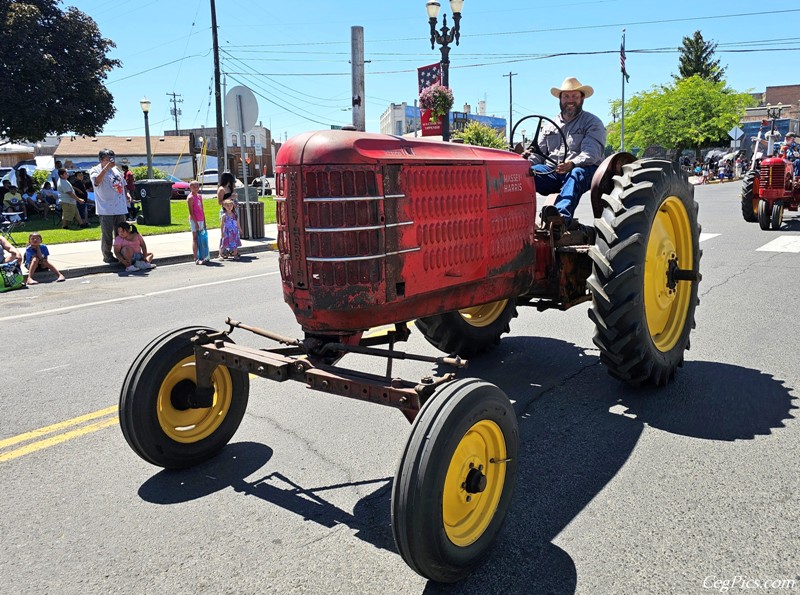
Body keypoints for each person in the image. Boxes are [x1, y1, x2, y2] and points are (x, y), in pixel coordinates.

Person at [525, 77, 607, 228]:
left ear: (582, 99)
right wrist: (522, 164)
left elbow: (591, 154)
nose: (570, 100)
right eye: (566, 96)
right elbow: (538, 154)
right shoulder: (550, 124)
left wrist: (572, 163)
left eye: (575, 96)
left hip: (584, 170)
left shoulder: (592, 122)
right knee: (528, 174)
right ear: (560, 99)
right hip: (553, 170)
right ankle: (523, 221)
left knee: (576, 174)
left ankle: (560, 219)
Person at [89, 149, 129, 264]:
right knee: (107, 233)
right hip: (105, 208)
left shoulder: (116, 169)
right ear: (101, 160)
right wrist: (106, 168)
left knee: (121, 232)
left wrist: (127, 194)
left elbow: (123, 184)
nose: (110, 162)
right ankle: (107, 256)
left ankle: (122, 253)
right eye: (106, 159)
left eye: (111, 159)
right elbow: (96, 182)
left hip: (119, 207)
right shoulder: (95, 170)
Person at [187, 180, 208, 264]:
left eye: (197, 187)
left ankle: (203, 255)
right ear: (190, 188)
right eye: (194, 187)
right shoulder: (190, 198)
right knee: (195, 238)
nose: (196, 188)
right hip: (194, 220)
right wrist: (195, 223)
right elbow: (191, 212)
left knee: (201, 238)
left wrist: (204, 221)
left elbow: (202, 209)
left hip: (201, 219)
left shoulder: (199, 196)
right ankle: (196, 258)